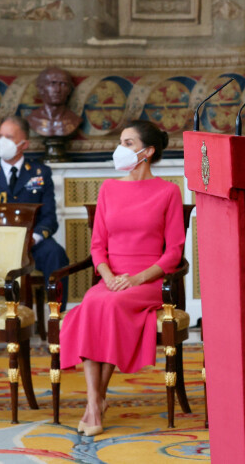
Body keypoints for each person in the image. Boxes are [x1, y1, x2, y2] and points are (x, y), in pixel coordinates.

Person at [59, 120, 185, 437]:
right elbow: (98, 246)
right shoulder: (108, 188)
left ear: (148, 151)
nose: (121, 148)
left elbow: (173, 253)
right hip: (112, 279)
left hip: (147, 281)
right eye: (121, 142)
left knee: (110, 306)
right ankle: (94, 401)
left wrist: (136, 279)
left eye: (128, 143)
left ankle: (95, 404)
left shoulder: (168, 191)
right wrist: (109, 275)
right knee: (91, 303)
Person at [0, 116, 69, 354]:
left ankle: (58, 327)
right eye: (0, 136)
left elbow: (50, 219)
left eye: (9, 137)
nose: (2, 141)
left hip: (32, 242)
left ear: (23, 144)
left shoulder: (39, 172)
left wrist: (33, 238)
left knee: (57, 255)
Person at [27, 67, 82, 138]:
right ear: (40, 89)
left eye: (63, 84)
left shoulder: (75, 120)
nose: (57, 90)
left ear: (69, 90)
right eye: (52, 83)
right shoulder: (32, 119)